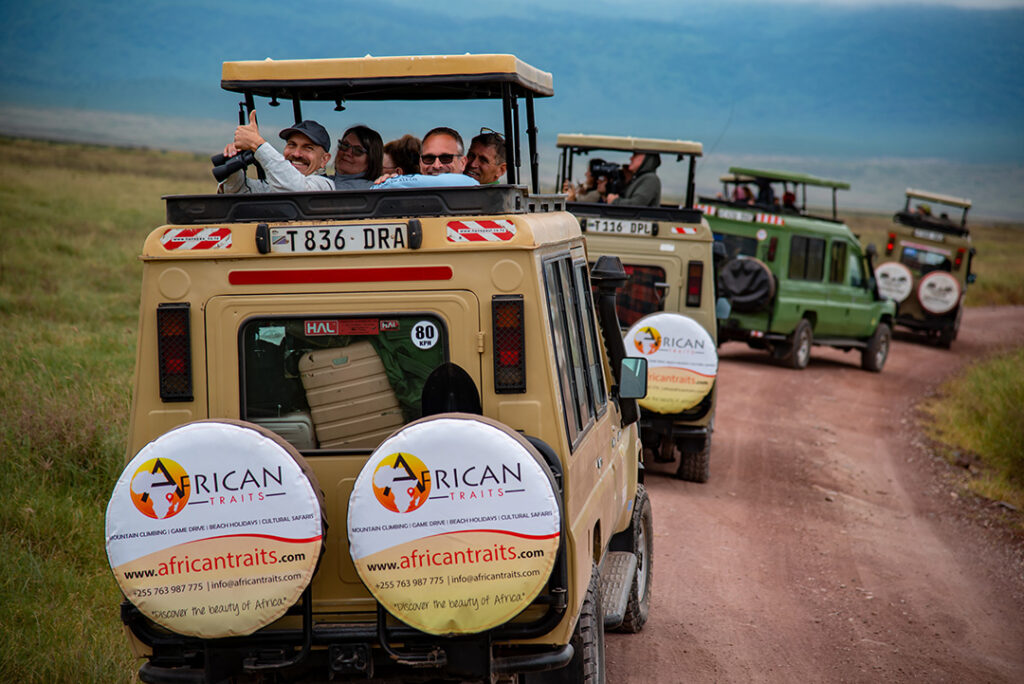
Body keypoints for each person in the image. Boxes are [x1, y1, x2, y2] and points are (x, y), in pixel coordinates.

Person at [217, 112, 333, 193]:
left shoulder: (324, 186)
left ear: (324, 159)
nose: (296, 154)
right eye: (292, 145)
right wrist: (234, 164)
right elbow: (239, 193)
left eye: (308, 148)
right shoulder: (277, 184)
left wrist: (257, 145)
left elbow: (297, 190)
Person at [373, 127, 477, 189]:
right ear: (420, 162)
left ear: (463, 163)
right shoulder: (407, 194)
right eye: (429, 159)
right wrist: (388, 181)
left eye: (446, 158)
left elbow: (468, 183)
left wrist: (394, 182)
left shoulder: (473, 189)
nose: (436, 166)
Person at [333, 125, 383, 190]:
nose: (347, 153)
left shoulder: (368, 189)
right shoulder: (328, 181)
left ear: (371, 160)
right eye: (344, 145)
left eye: (358, 151)